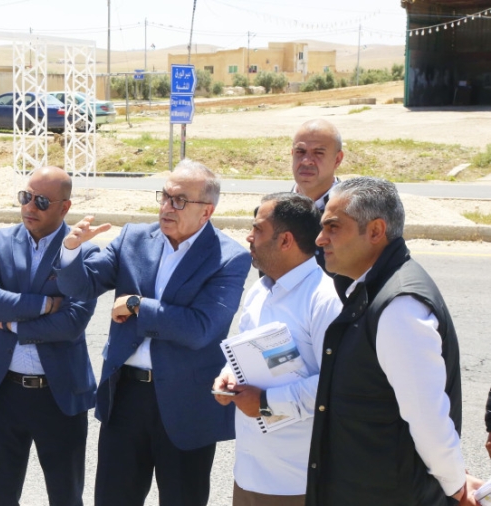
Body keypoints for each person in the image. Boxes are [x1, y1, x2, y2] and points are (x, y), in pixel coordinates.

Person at [56, 160, 251, 506]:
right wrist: (71, 251)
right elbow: (81, 286)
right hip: (126, 396)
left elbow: (200, 328)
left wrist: (137, 305)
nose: (166, 207)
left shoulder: (228, 258)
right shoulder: (133, 238)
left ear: (206, 211)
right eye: (165, 196)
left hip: (186, 404)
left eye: (179, 201)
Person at [305, 176, 482, 506]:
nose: (320, 239)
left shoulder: (400, 305)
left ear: (375, 231)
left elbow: (427, 416)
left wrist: (456, 484)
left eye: (333, 227)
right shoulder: (370, 288)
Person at [0, 167, 97, 506]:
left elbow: (72, 322)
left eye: (41, 201)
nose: (29, 207)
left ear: (65, 207)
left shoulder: (83, 252)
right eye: (25, 197)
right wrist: (44, 304)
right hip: (4, 391)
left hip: (59, 396)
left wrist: (12, 324)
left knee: (65, 496)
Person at [211, 193, 341, 506]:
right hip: (249, 471)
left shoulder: (324, 299)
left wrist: (265, 403)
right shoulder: (260, 290)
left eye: (258, 229)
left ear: (285, 240)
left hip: (296, 480)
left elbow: (336, 384)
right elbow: (245, 350)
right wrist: (229, 376)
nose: (249, 237)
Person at [291, 119, 344, 211]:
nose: (306, 161)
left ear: (337, 159)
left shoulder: (354, 213)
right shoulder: (273, 212)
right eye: (300, 152)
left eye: (318, 153)